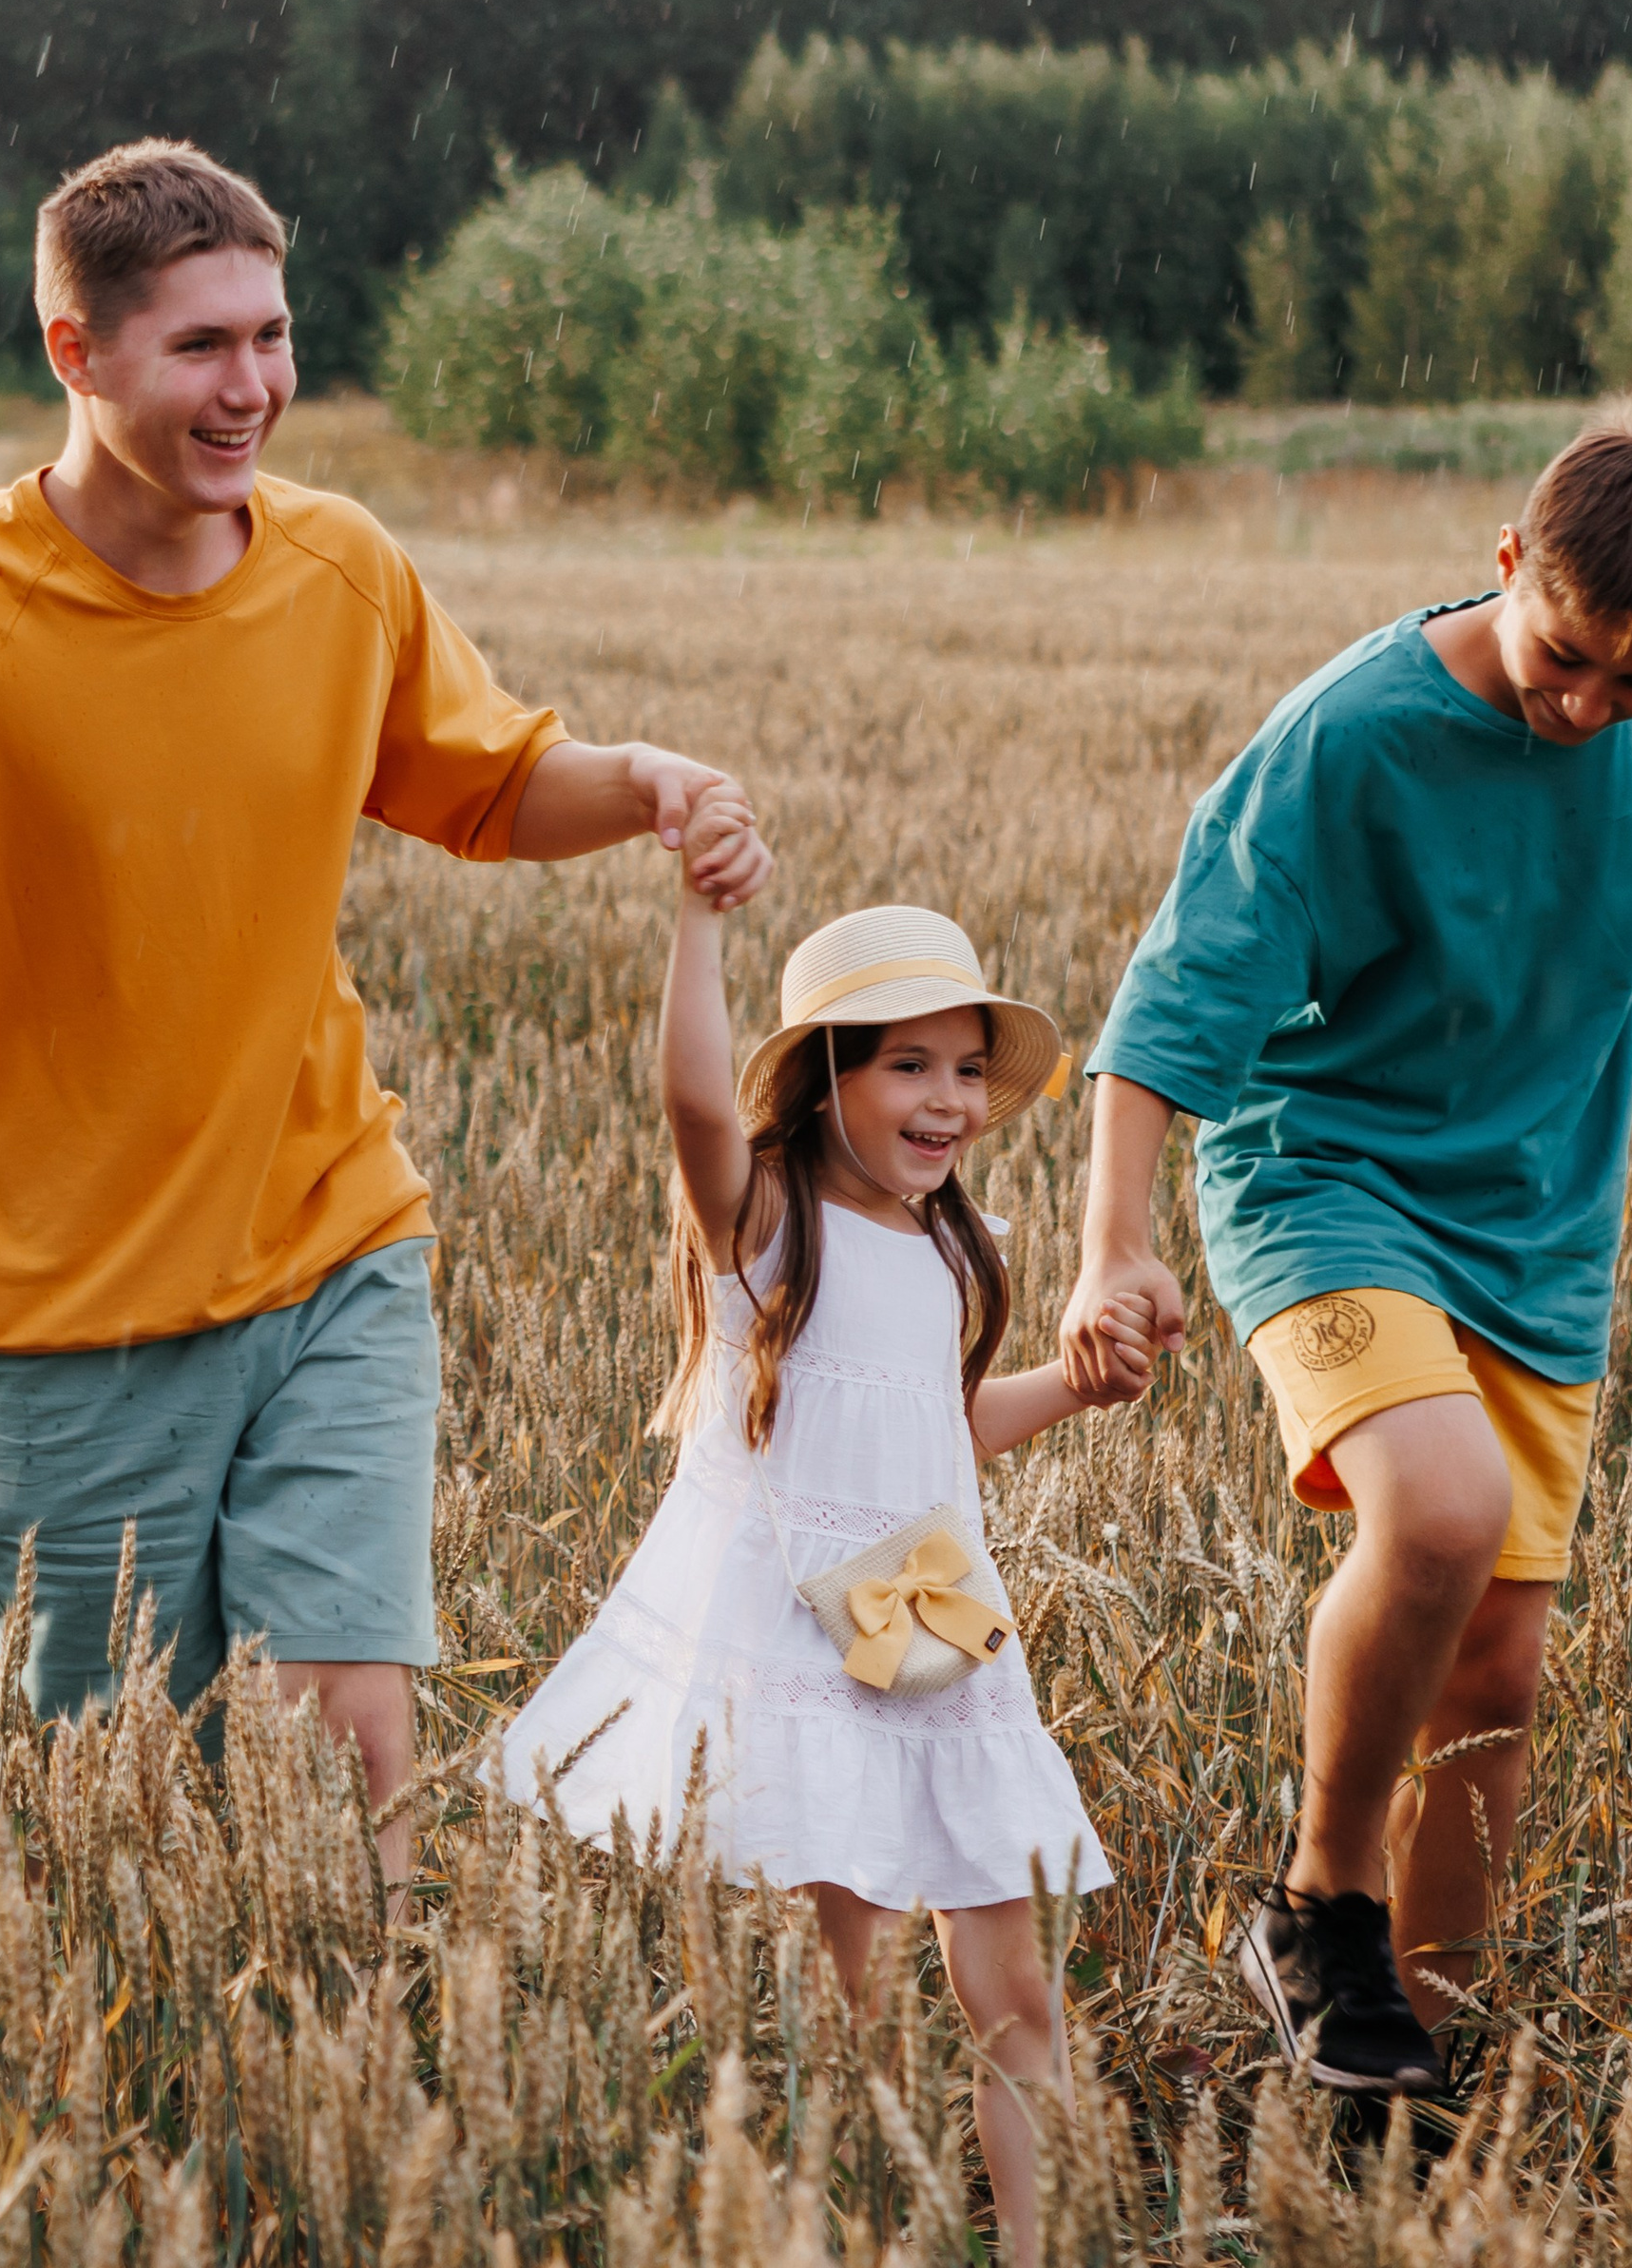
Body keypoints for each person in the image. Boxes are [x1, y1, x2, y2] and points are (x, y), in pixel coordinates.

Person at [0, 138, 772, 1902]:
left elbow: (482, 782)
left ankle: (391, 2100)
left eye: (272, 334)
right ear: (73, 352)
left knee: (355, 1746)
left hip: (333, 1249)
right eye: (199, 346)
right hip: (64, 1327)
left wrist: (638, 782)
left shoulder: (339, 567)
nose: (252, 385)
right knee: (143, 1828)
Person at [1059, 421, 1632, 2095]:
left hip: (1541, 1225)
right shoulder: (1349, 741)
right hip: (1322, 1178)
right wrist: (1111, 1246)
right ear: (1509, 563)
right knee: (1439, 1505)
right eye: (1565, 657)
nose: (1589, 706)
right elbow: (1169, 1012)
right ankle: (1319, 1906)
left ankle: (1408, 2056)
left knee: (1496, 1668)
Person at [502, 826, 1156, 2252]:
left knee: (1018, 1995)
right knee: (839, 2006)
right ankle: (826, 2231)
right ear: (826, 1079)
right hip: (811, 1644)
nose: (951, 1100)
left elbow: (933, 1429)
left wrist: (1077, 1386)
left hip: (937, 1635)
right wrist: (698, 915)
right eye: (909, 1065)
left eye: (970, 1068)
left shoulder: (944, 1248)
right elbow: (687, 1097)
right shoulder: (766, 1230)